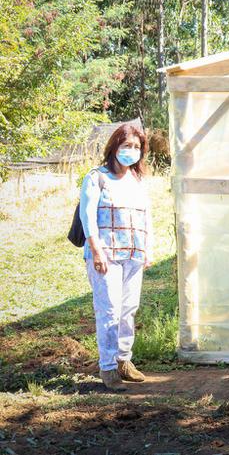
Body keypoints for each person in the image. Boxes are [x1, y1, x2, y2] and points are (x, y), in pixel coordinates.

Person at [79, 123, 154, 391]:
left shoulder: (137, 180)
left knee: (128, 309)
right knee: (109, 310)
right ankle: (108, 367)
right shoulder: (96, 177)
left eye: (137, 147)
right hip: (106, 255)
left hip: (133, 254)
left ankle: (124, 360)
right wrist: (96, 251)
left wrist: (148, 249)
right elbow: (87, 217)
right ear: (114, 147)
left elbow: (146, 217)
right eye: (126, 146)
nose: (131, 151)